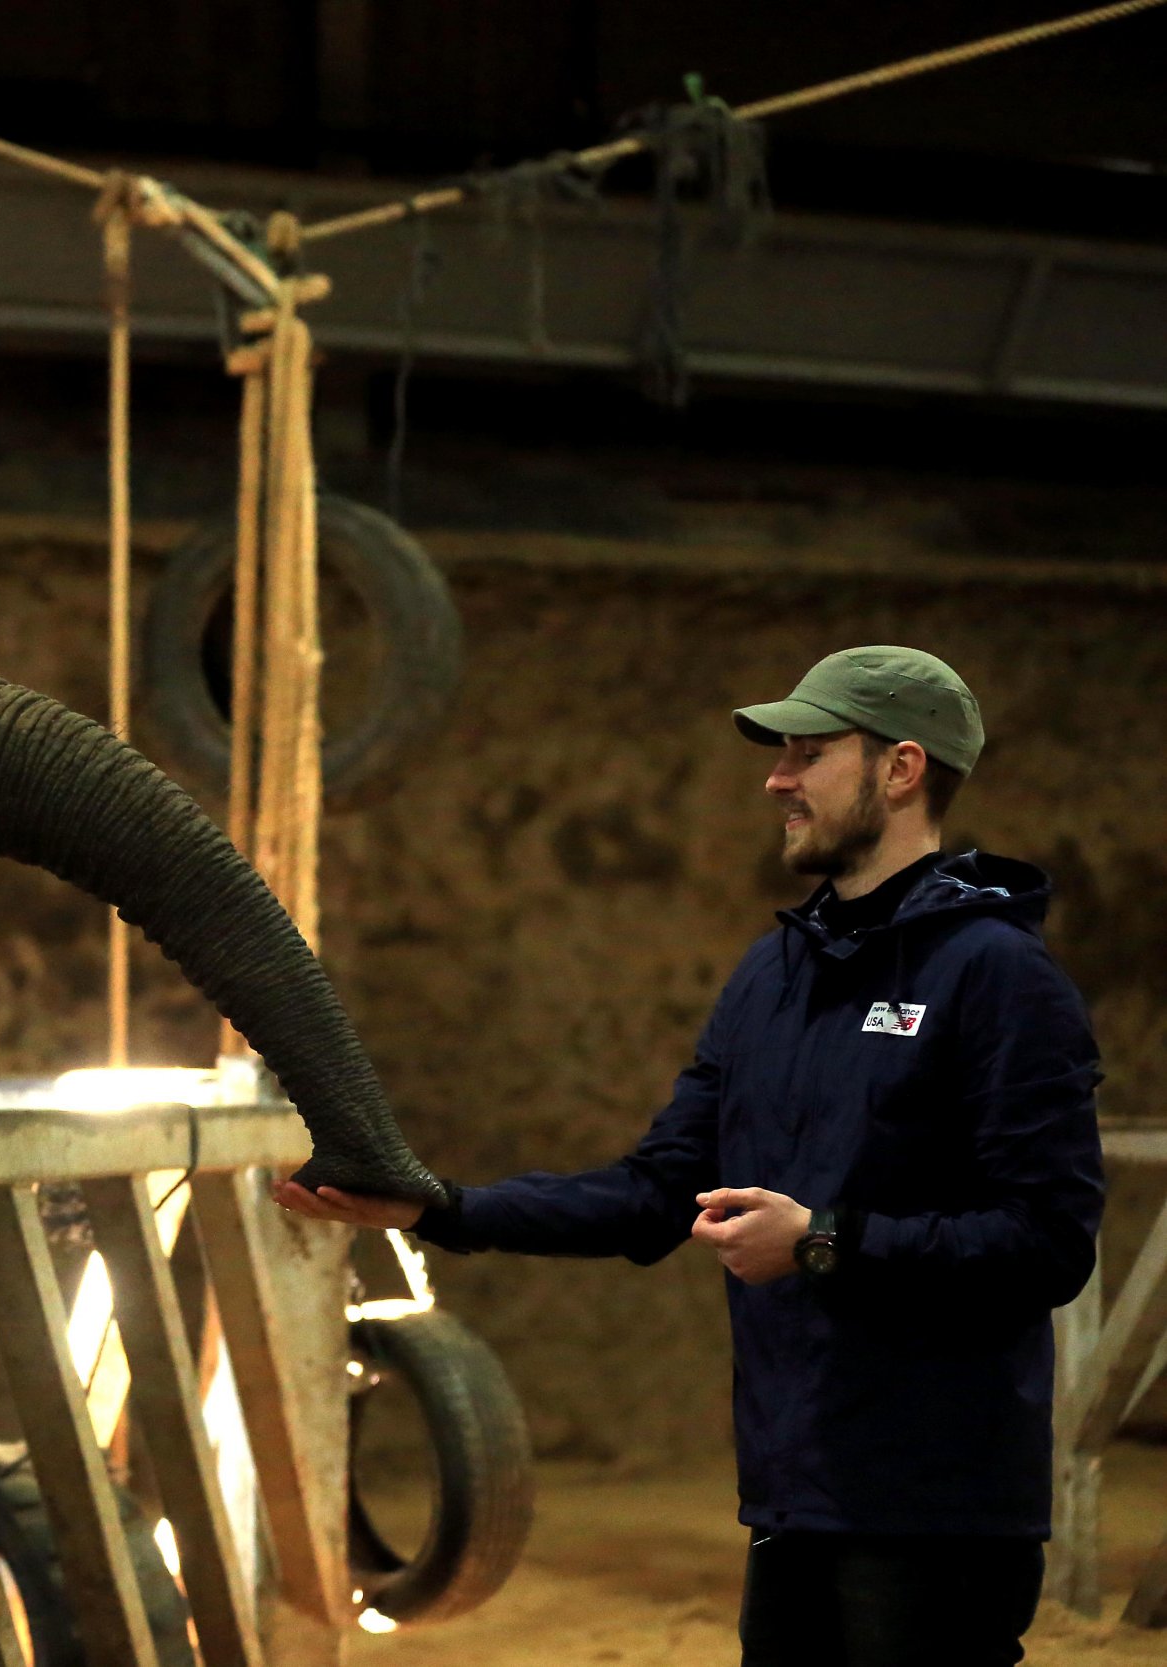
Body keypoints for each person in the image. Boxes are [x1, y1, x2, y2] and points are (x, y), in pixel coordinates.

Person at [280, 646, 1104, 1667]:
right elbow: (653, 1192)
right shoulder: (773, 973)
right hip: (794, 1494)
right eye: (780, 756)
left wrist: (819, 1242)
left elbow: (1048, 1242)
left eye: (808, 753)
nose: (776, 778)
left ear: (900, 769)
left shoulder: (999, 976)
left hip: (936, 1510)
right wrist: (440, 1207)